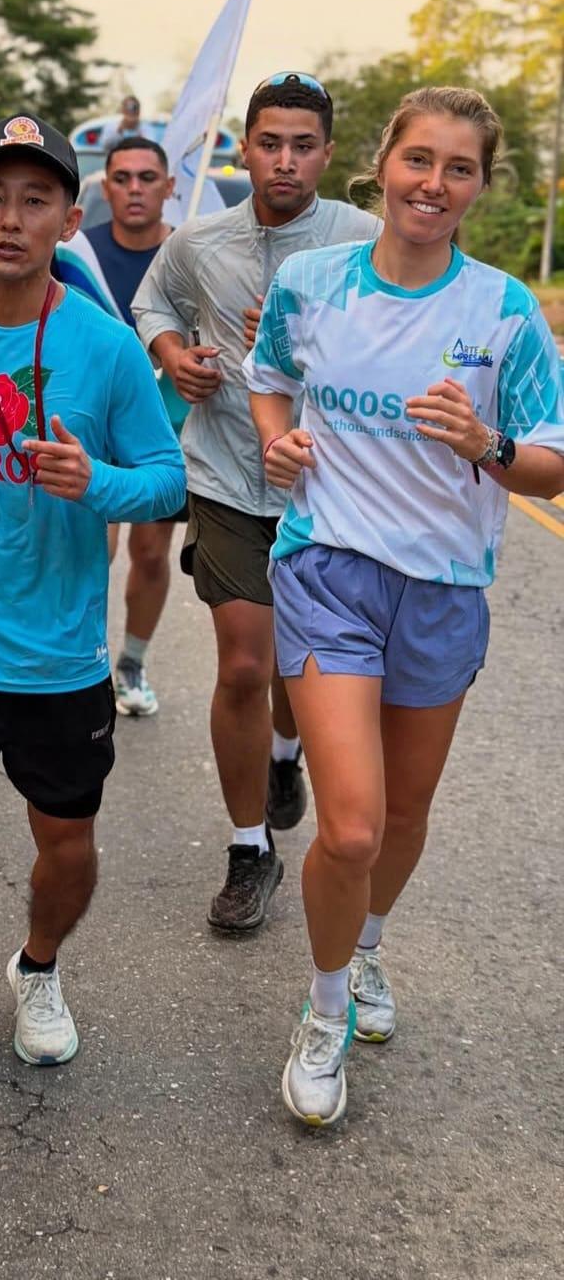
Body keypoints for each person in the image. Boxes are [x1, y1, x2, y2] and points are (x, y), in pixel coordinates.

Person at [244, 86, 564, 1127]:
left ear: (479, 185)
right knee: (350, 823)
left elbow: (550, 466)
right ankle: (325, 1005)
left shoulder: (504, 310)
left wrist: (487, 445)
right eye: (419, 159)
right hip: (328, 569)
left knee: (407, 815)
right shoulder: (312, 281)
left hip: (443, 588)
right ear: (382, 164)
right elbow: (269, 373)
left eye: (458, 167)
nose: (434, 183)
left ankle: (368, 946)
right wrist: (276, 438)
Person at [0, 112, 185, 1077]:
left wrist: (95, 482)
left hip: (60, 657)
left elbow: (169, 480)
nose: (14, 219)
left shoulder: (104, 347)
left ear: (69, 215)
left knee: (69, 853)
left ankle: (40, 965)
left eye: (38, 200)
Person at [133, 72, 381, 934]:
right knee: (243, 659)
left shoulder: (364, 238)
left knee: (295, 664)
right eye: (269, 142)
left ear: (326, 152)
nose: (284, 160)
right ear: (245, 146)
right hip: (230, 476)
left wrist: (308, 349)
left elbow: (399, 338)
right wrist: (175, 352)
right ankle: (250, 850)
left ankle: (285, 750)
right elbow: (153, 300)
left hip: (332, 487)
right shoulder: (200, 240)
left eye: (302, 145)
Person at [52, 136, 186, 716]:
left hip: (163, 418)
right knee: (92, 548)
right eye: (123, 178)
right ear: (106, 188)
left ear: (169, 187)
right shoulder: (74, 251)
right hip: (89, 423)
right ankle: (79, 661)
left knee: (152, 554)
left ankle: (130, 662)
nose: (135, 189)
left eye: (147, 178)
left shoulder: (190, 252)